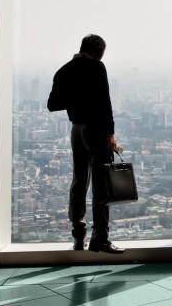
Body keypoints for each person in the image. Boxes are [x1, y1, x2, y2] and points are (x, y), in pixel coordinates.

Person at [47, 34, 124, 254]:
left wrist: (75, 97)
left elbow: (53, 104)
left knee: (80, 181)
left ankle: (78, 236)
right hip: (97, 130)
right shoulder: (97, 68)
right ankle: (100, 239)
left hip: (77, 130)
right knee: (101, 185)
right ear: (98, 51)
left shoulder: (64, 70)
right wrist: (110, 134)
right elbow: (105, 102)